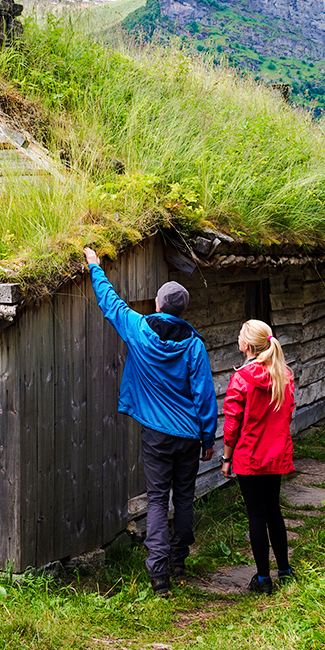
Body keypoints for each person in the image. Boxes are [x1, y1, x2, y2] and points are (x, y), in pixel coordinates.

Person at [83, 246, 217, 596]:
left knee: (157, 500)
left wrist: (95, 266)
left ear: (158, 305)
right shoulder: (193, 346)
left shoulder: (139, 330)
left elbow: (110, 303)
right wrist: (208, 439)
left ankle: (159, 578)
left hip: (156, 434)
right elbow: (204, 395)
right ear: (181, 309)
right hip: (189, 435)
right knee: (184, 497)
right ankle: (178, 560)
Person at [221, 318, 295, 594]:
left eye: (240, 334)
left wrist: (227, 458)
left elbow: (232, 425)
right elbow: (287, 414)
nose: (237, 337)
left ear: (248, 345)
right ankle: (285, 570)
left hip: (249, 456)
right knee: (273, 510)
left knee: (256, 515)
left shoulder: (241, 379)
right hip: (275, 454)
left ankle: (263, 578)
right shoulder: (283, 374)